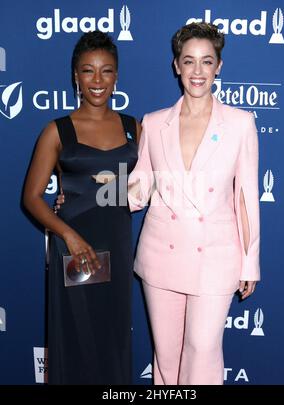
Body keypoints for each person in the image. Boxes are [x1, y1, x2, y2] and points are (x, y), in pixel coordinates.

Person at [128, 22, 260, 385]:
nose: (197, 71)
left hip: (216, 256)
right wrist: (86, 191)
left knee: (202, 348)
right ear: (176, 66)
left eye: (206, 61)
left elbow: (247, 196)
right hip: (161, 254)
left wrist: (250, 261)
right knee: (167, 355)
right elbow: (138, 190)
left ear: (219, 66)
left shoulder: (240, 124)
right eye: (189, 61)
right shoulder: (154, 124)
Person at [23, 30, 140, 384]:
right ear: (76, 75)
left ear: (117, 75)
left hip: (117, 246)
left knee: (113, 334)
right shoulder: (57, 131)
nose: (97, 80)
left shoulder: (133, 127)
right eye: (88, 71)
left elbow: (146, 186)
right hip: (76, 249)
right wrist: (69, 235)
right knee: (77, 335)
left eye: (106, 71)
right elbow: (30, 197)